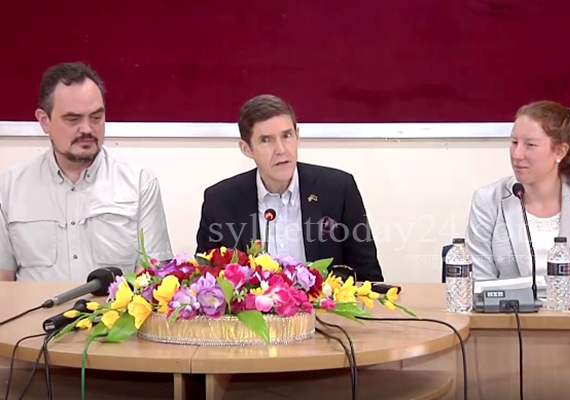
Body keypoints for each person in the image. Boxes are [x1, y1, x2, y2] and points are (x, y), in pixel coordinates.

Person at [0, 62, 172, 281]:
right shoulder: (10, 188)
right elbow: (3, 281)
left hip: (115, 305)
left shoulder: (139, 182)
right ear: (44, 121)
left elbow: (153, 278)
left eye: (96, 117)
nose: (87, 129)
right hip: (37, 305)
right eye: (73, 119)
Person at [196, 94, 383, 282]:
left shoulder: (339, 189)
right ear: (246, 148)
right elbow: (205, 281)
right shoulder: (220, 201)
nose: (281, 150)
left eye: (286, 136)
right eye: (266, 140)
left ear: (297, 136)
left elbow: (368, 276)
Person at [466, 100, 570, 281]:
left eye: (530, 145)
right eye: (514, 142)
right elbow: (481, 283)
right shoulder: (488, 200)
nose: (517, 154)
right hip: (507, 301)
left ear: (560, 152)